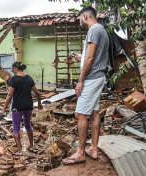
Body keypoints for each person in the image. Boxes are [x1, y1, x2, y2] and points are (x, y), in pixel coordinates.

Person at [62, 6, 109, 165]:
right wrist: (82, 57)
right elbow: (91, 56)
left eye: (79, 19)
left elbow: (90, 59)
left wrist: (80, 81)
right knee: (94, 112)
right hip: (99, 75)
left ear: (85, 17)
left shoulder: (93, 30)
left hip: (92, 77)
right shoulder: (101, 30)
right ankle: (93, 149)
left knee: (80, 114)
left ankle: (80, 153)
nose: (79, 22)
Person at [0, 62, 42, 155]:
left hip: (17, 107)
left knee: (16, 128)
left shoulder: (14, 79)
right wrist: (39, 103)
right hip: (28, 106)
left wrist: (3, 109)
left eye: (12, 69)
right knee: (28, 125)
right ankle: (31, 146)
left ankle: (20, 150)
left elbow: (10, 95)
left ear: (15, 68)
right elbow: (37, 93)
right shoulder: (29, 78)